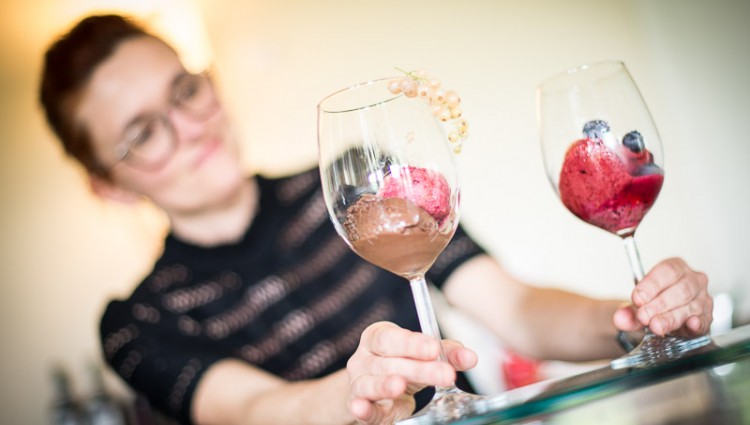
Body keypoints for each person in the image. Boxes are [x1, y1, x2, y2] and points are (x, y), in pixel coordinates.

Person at [40, 14, 713, 425]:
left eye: (184, 89)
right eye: (143, 132)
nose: (188, 126)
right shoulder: (138, 322)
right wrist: (357, 394)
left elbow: (512, 306)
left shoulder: (362, 181)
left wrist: (630, 318)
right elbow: (255, 412)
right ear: (110, 187)